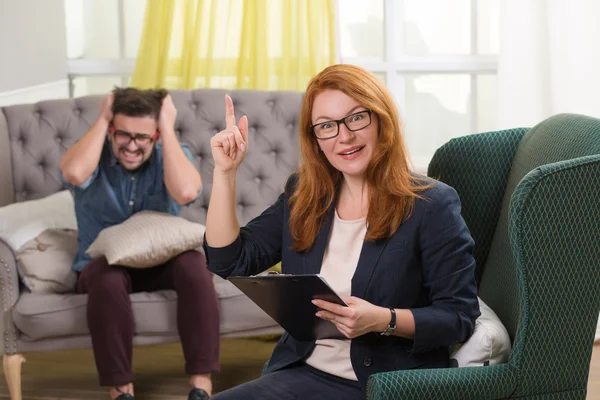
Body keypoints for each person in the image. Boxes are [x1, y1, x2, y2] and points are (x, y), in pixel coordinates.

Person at [203, 64, 481, 399]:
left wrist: (383, 320)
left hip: (383, 385)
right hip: (301, 374)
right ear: (315, 139)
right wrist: (225, 173)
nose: (344, 136)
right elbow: (227, 260)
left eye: (356, 118)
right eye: (326, 126)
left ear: (381, 120)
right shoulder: (303, 193)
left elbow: (458, 316)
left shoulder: (432, 204)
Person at [59, 87, 219, 400]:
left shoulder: (169, 151)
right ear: (111, 131)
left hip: (161, 263)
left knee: (195, 264)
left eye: (142, 137)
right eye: (124, 135)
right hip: (105, 266)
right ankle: (121, 390)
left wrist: (167, 130)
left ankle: (201, 385)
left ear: (155, 136)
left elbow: (186, 193)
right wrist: (103, 118)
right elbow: (75, 173)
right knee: (106, 279)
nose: (132, 146)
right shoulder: (93, 154)